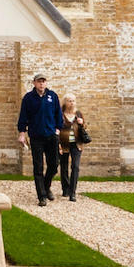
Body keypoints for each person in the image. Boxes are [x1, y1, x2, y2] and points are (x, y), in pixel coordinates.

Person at [17, 73, 62, 206]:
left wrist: (58, 129)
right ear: (34, 83)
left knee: (54, 165)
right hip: (36, 137)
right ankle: (42, 196)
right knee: (38, 167)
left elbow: (58, 114)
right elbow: (23, 116)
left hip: (51, 136)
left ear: (46, 83)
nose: (41, 84)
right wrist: (22, 133)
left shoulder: (52, 96)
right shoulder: (28, 98)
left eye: (43, 81)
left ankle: (46, 186)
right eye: (39, 81)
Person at [56, 94, 88, 201]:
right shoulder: (60, 114)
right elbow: (56, 129)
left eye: (73, 101)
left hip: (76, 143)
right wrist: (58, 145)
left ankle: (72, 192)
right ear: (65, 102)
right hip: (63, 143)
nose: (72, 103)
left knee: (75, 167)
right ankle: (65, 189)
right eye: (69, 101)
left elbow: (85, 127)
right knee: (64, 167)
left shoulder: (78, 114)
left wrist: (82, 123)